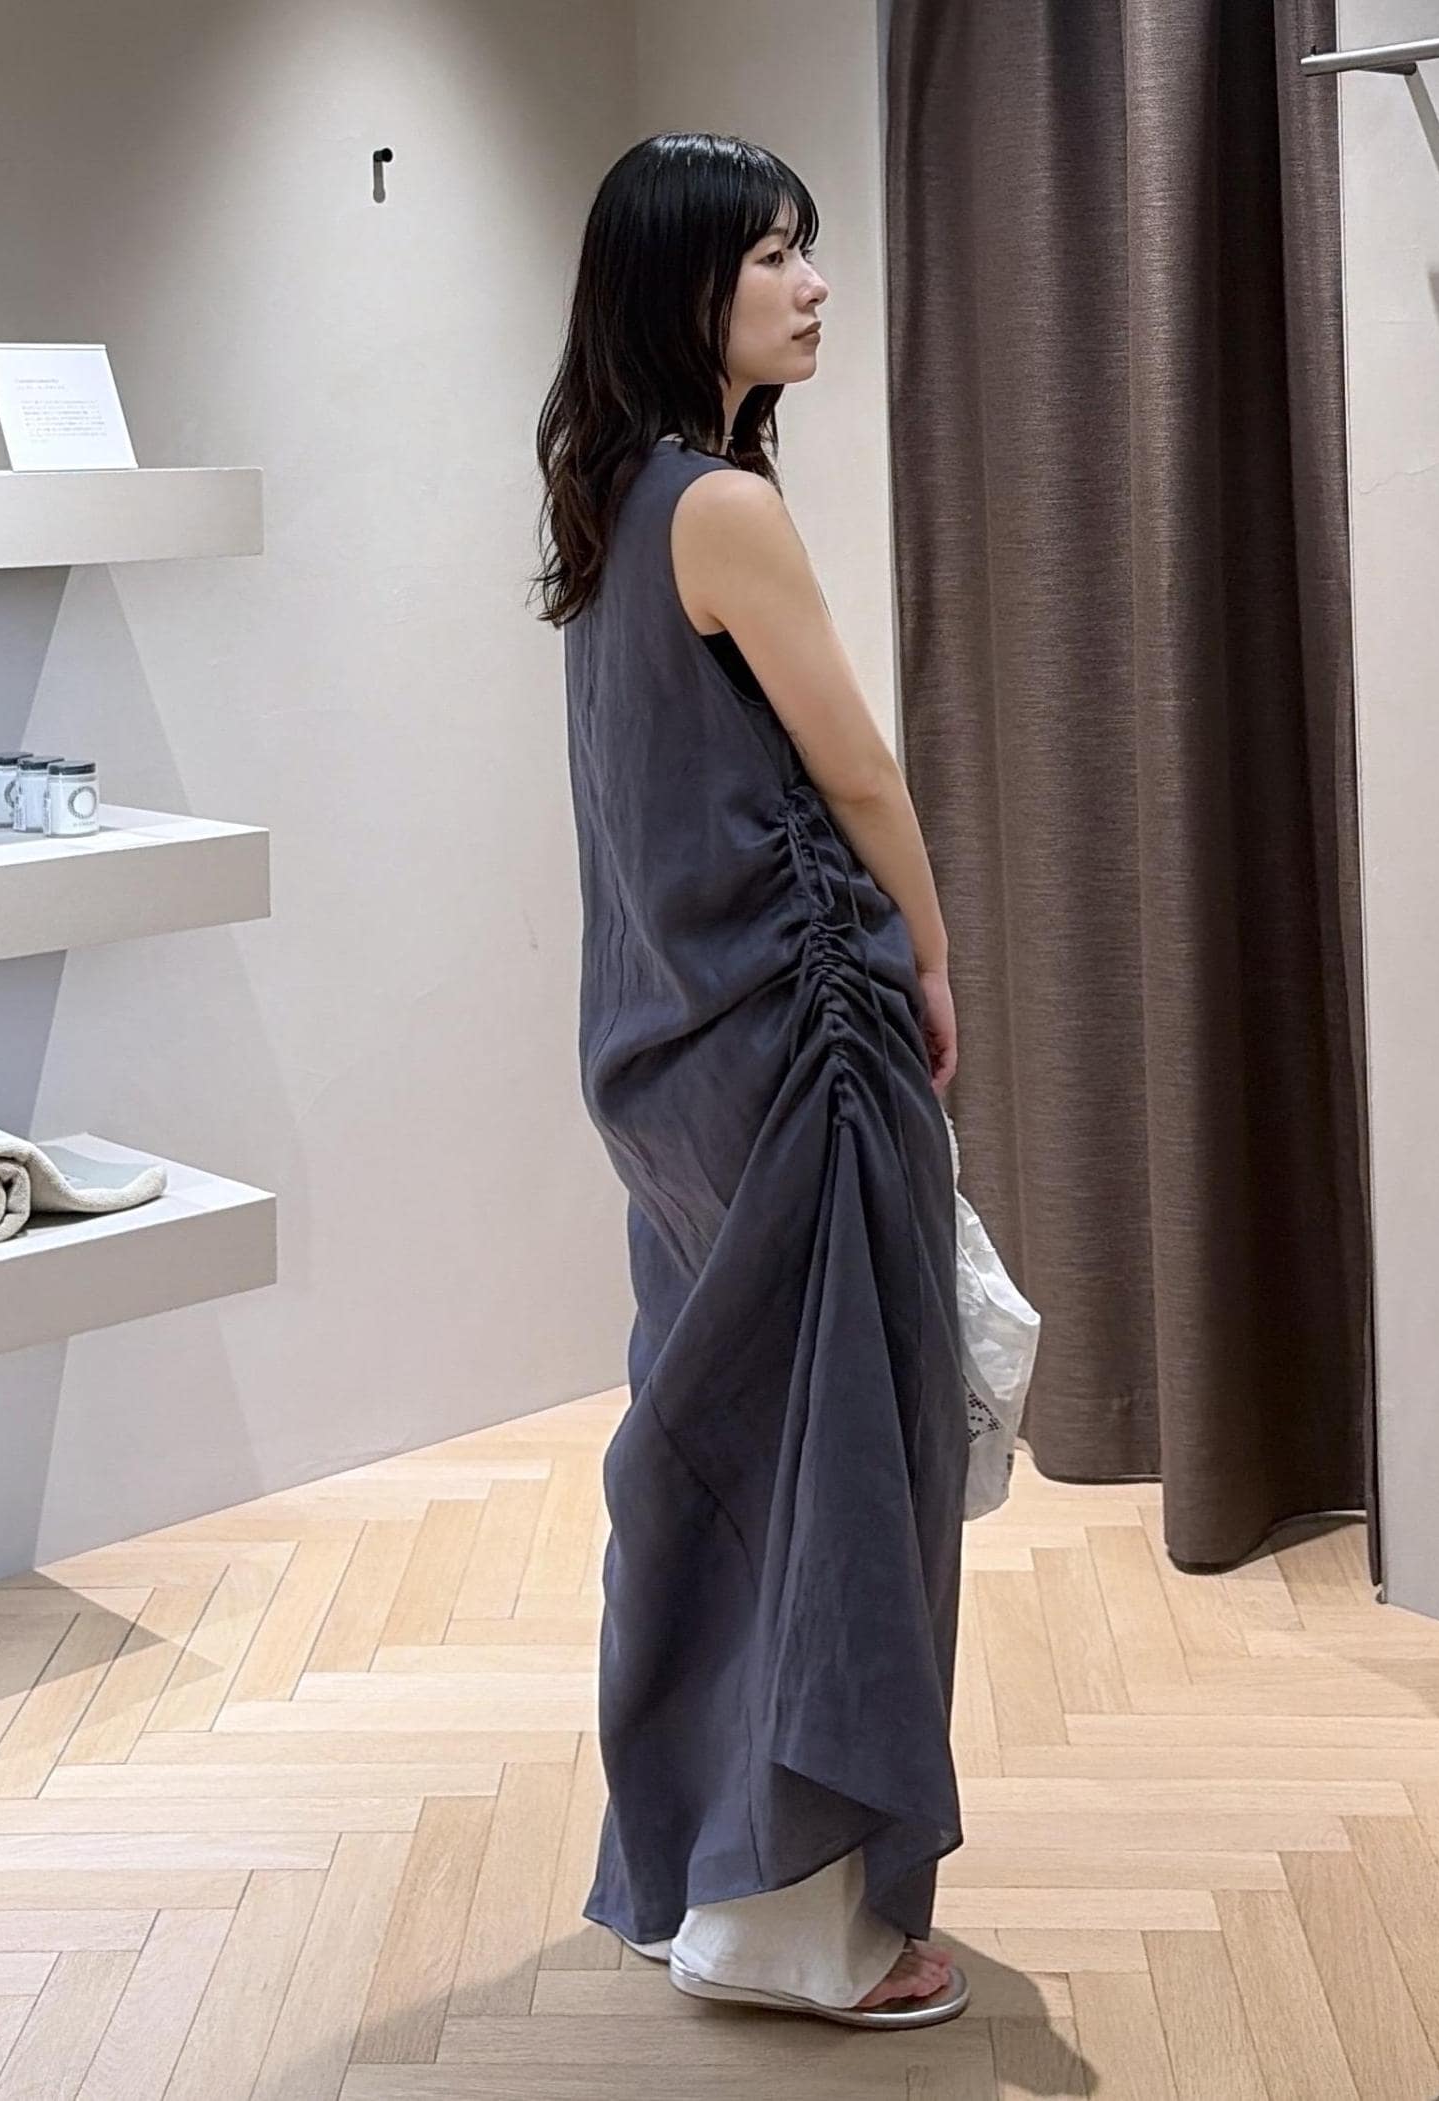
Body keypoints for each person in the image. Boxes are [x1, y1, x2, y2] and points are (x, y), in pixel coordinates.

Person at [531, 132, 971, 2030]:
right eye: (776, 252)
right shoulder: (720, 507)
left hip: (668, 1049)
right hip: (795, 1044)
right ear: (681, 283)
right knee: (843, 1462)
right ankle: (797, 1928)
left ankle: (706, 1878)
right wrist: (933, 956)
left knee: (715, 1455)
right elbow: (857, 771)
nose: (812, 282)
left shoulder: (611, 499)